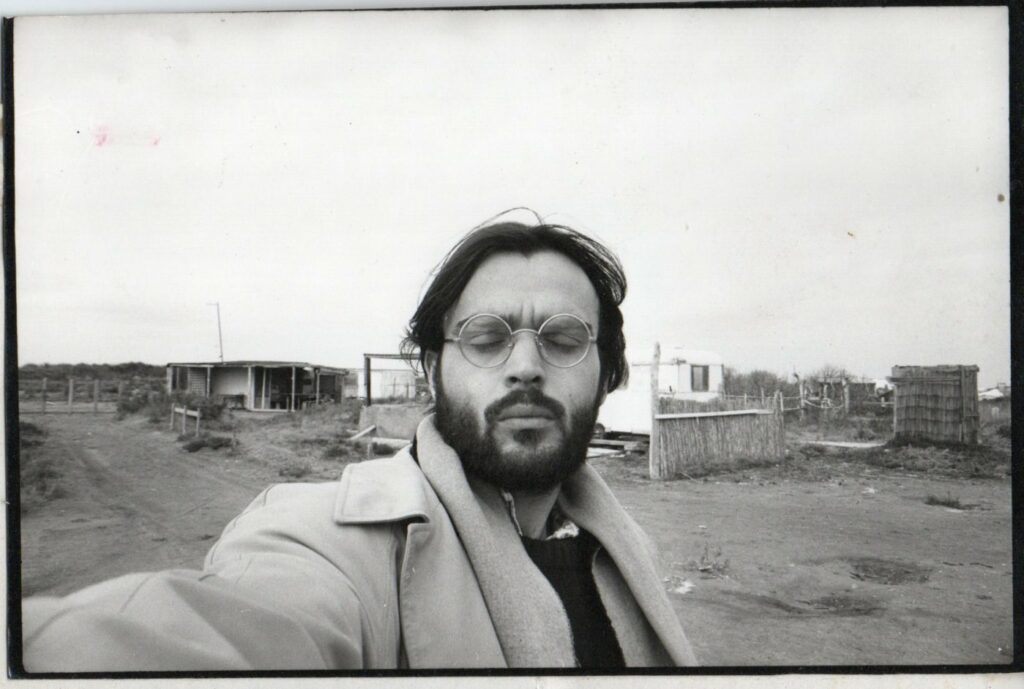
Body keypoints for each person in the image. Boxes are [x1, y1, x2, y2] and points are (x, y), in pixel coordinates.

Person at [20, 212, 698, 671]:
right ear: (433, 367)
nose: (525, 365)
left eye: (564, 338)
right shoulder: (329, 541)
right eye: (486, 338)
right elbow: (237, 624)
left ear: (609, 372)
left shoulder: (625, 548)